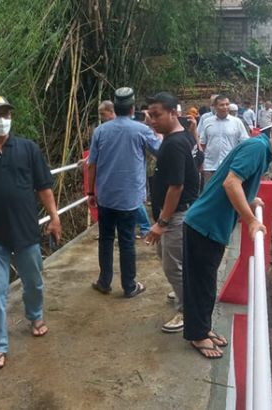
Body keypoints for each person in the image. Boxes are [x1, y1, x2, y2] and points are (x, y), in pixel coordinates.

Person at [183, 121, 272, 358]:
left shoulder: (261, 149)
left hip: (211, 225)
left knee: (207, 283)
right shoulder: (257, 149)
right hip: (204, 224)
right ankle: (197, 336)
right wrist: (250, 220)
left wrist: (250, 200)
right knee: (201, 285)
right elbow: (231, 183)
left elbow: (238, 182)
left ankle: (203, 329)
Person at [0, 94, 62, 370]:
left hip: (27, 232)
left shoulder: (28, 149)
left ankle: (35, 315)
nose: (1, 120)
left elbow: (44, 187)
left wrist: (54, 218)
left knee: (34, 283)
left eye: (5, 114)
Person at [87, 87, 160, 298]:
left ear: (115, 108)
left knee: (106, 239)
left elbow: (92, 164)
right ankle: (129, 286)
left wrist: (90, 192)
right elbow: (160, 150)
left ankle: (104, 281)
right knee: (127, 241)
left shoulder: (100, 131)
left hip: (106, 197)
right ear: (132, 108)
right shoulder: (141, 130)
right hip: (129, 198)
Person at [143, 92, 199, 334]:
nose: (152, 121)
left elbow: (177, 186)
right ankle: (183, 290)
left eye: (157, 115)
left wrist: (162, 222)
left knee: (172, 265)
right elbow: (198, 159)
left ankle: (187, 309)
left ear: (173, 113)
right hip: (174, 214)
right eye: (149, 116)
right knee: (171, 259)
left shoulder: (175, 144)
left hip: (175, 216)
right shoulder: (181, 136)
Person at [199, 95, 249, 187]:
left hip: (229, 166)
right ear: (214, 107)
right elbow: (202, 144)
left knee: (227, 193)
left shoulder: (237, 122)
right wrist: (201, 162)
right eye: (222, 105)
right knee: (209, 194)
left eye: (227, 104)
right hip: (210, 166)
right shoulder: (207, 122)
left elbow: (245, 143)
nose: (225, 107)